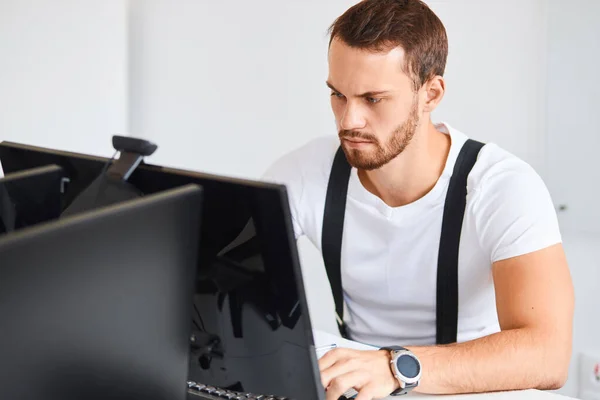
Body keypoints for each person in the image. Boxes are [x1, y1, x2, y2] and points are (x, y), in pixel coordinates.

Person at [262, 0, 574, 399]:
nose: (348, 121)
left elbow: (548, 355)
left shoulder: (502, 186)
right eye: (338, 95)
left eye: (373, 99)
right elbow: (221, 281)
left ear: (431, 93)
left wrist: (395, 367)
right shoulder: (307, 171)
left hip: (478, 388)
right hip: (359, 387)